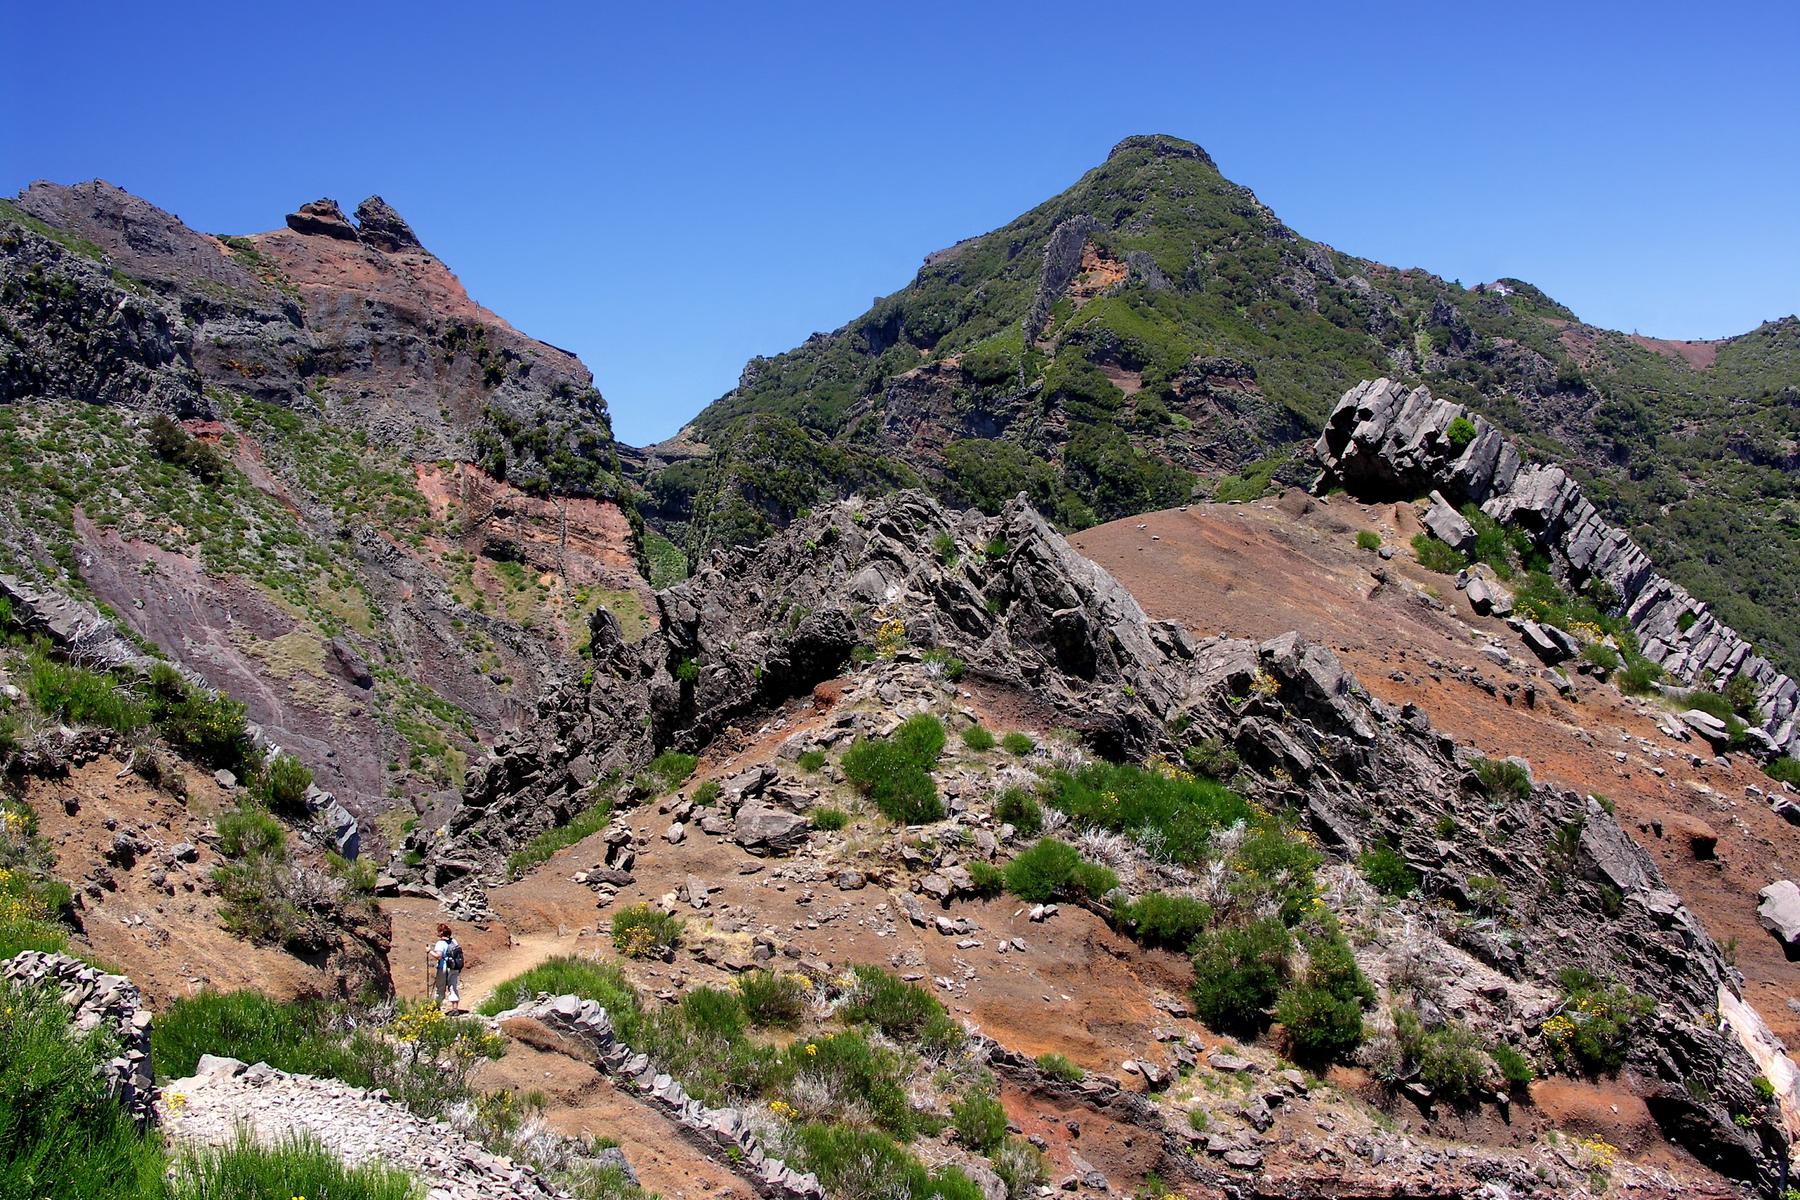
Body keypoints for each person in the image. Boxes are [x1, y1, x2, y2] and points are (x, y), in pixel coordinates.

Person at [428, 923, 463, 1011]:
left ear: (440, 932)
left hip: (443, 967)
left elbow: (438, 956)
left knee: (440, 988)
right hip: (454, 967)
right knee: (453, 986)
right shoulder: (454, 941)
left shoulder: (440, 943)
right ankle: (455, 1009)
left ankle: (435, 1008)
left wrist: (429, 951)